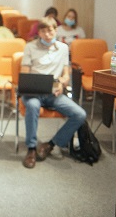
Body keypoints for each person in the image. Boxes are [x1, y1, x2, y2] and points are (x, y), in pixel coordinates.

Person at [20, 17, 86, 169]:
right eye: (43, 31)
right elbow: (25, 74)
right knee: (33, 106)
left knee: (79, 114)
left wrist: (61, 83)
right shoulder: (30, 47)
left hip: (53, 93)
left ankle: (50, 145)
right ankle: (31, 149)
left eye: (50, 30)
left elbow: (66, 75)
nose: (47, 34)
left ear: (56, 30)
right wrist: (33, 85)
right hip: (33, 93)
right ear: (39, 33)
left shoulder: (63, 48)